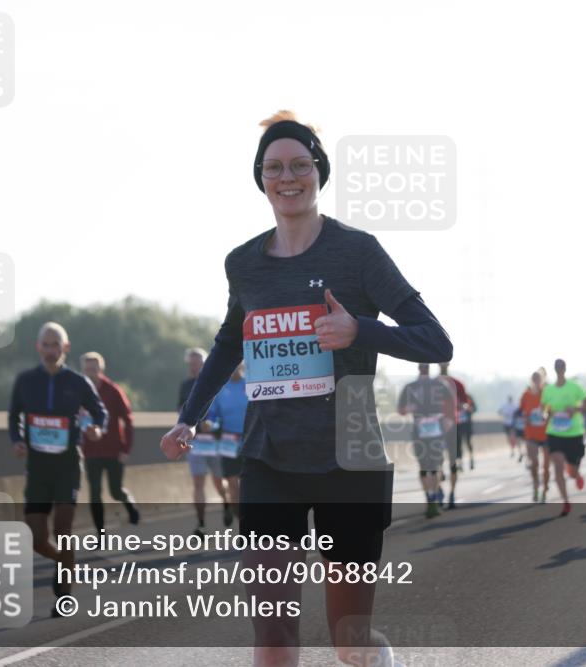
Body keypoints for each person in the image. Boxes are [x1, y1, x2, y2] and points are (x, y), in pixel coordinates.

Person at [159, 111, 452, 667]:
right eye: (274, 167)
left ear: (319, 173)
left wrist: (358, 330)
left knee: (350, 644)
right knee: (273, 642)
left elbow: (436, 342)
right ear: (260, 178)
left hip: (351, 459)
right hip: (269, 461)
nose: (287, 177)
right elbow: (229, 342)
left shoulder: (357, 252)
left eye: (299, 165)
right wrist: (189, 417)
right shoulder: (243, 263)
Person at [8, 322, 107, 616]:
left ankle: (64, 593)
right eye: (46, 345)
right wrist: (17, 440)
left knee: (63, 530)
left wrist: (96, 429)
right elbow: (15, 416)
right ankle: (63, 563)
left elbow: (100, 412)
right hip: (38, 465)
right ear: (39, 347)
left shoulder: (77, 382)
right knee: (35, 536)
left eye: (56, 345)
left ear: (66, 348)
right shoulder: (26, 381)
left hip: (67, 464)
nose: (51, 350)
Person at [79, 351, 139, 533]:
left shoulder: (113, 390)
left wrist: (126, 448)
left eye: (94, 369)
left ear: (101, 369)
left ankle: (129, 504)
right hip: (90, 452)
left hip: (113, 450)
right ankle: (101, 533)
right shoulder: (78, 391)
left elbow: (128, 420)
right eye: (88, 369)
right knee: (95, 492)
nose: (91, 372)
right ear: (83, 370)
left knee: (115, 490)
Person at [178, 347, 229, 536]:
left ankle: (226, 503)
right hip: (195, 442)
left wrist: (213, 425)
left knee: (218, 481)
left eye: (197, 363)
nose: (194, 367)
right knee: (198, 483)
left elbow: (224, 412)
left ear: (205, 363)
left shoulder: (216, 383)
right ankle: (201, 523)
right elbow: (180, 413)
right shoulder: (185, 386)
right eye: (191, 364)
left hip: (214, 441)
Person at [399, 363, 455, 518]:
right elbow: (400, 409)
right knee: (424, 466)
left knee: (435, 465)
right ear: (419, 368)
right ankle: (429, 498)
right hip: (419, 430)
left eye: (426, 366)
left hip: (436, 429)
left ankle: (435, 497)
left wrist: (449, 420)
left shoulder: (440, 385)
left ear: (429, 368)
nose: (424, 369)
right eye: (422, 367)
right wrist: (407, 409)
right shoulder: (410, 387)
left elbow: (452, 404)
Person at [541, 359, 586, 516]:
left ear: (565, 369)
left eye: (562, 367)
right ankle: (566, 502)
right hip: (554, 433)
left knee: (571, 472)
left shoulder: (575, 387)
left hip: (574, 433)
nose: (559, 369)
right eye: (557, 367)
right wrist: (547, 414)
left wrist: (576, 408)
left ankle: (577, 475)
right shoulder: (548, 389)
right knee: (557, 467)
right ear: (555, 369)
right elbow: (544, 409)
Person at [205, 361, 249, 527]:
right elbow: (213, 416)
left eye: (236, 366)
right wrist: (210, 424)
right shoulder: (221, 389)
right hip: (228, 442)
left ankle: (255, 524)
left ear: (241, 367)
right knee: (233, 485)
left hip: (250, 440)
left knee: (250, 486)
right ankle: (242, 525)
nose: (233, 369)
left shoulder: (250, 383)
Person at [519, 371, 550, 502]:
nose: (536, 381)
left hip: (546, 434)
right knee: (534, 463)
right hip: (531, 434)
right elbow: (521, 411)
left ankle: (545, 488)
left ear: (542, 380)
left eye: (539, 379)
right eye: (534, 379)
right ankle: (536, 486)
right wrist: (525, 417)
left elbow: (552, 410)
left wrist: (546, 415)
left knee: (546, 466)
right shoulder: (525, 395)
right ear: (531, 380)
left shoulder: (547, 394)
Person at [439, 362, 474, 470]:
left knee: (464, 441)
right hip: (439, 420)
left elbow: (466, 404)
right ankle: (441, 468)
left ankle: (466, 459)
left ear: (448, 365)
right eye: (441, 363)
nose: (443, 365)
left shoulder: (458, 384)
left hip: (458, 420)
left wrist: (462, 406)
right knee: (438, 445)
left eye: (445, 363)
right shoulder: (434, 383)